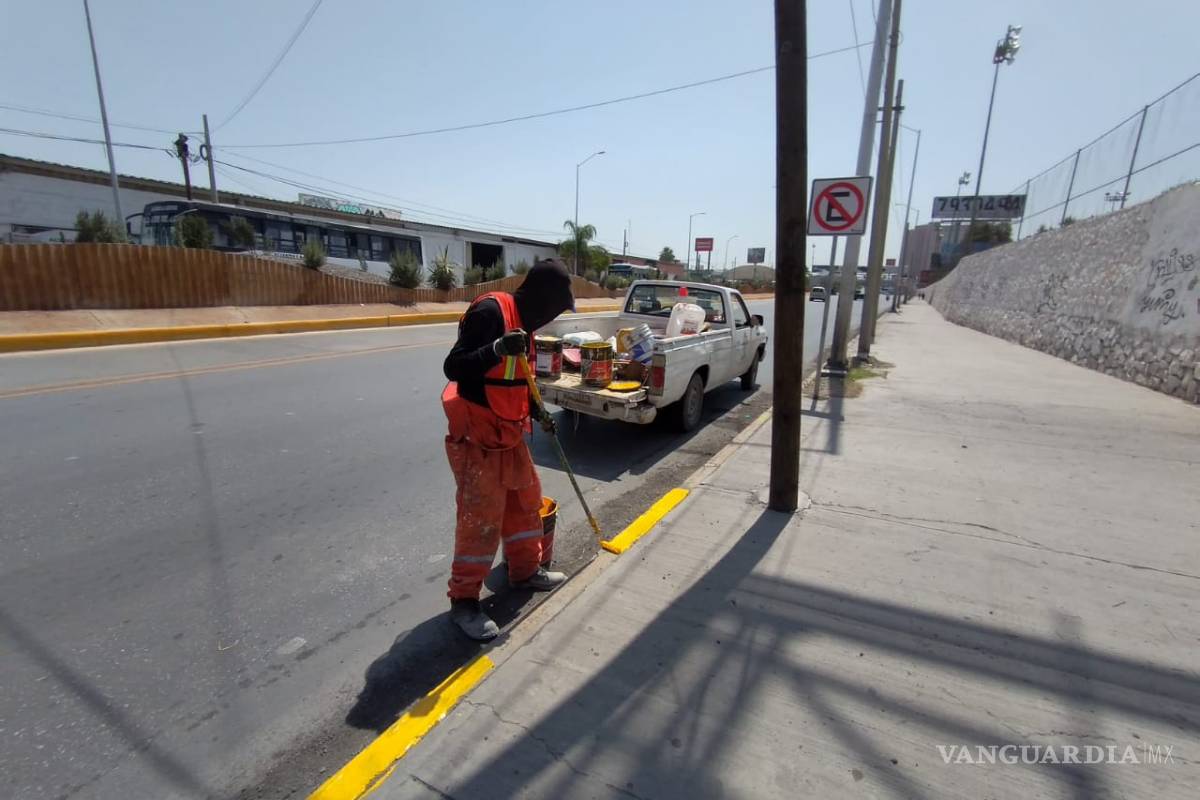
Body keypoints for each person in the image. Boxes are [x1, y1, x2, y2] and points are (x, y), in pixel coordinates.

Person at [440, 258, 575, 640]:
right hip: (477, 438)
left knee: (524, 504)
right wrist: (497, 347)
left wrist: (538, 411)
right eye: (555, 308)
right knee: (481, 520)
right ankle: (464, 601)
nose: (553, 317)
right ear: (542, 298)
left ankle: (524, 572)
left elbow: (518, 381)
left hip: (509, 435)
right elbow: (454, 367)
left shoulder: (525, 325)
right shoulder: (491, 312)